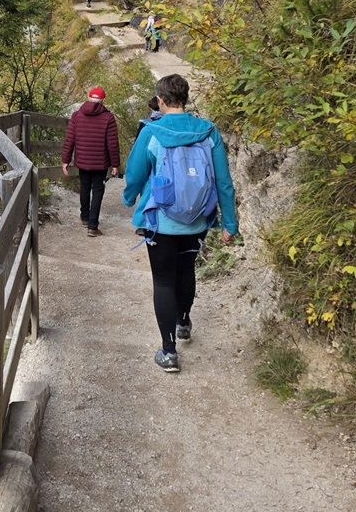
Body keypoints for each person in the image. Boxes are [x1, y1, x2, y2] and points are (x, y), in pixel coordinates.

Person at [122, 73, 238, 373]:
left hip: (160, 220)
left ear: (160, 99)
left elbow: (134, 173)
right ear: (185, 98)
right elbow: (224, 181)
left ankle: (169, 351)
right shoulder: (208, 131)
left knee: (163, 280)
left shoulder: (152, 130)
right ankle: (183, 320)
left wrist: (129, 196)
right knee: (186, 270)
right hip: (197, 219)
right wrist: (230, 223)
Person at [62, 85, 120, 237]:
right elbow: (112, 143)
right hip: (100, 162)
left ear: (88, 98)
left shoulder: (76, 116)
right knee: (98, 190)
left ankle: (84, 216)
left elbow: (70, 140)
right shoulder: (108, 118)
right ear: (103, 100)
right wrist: (115, 164)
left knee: (84, 187)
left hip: (82, 160)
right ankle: (92, 226)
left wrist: (65, 160)